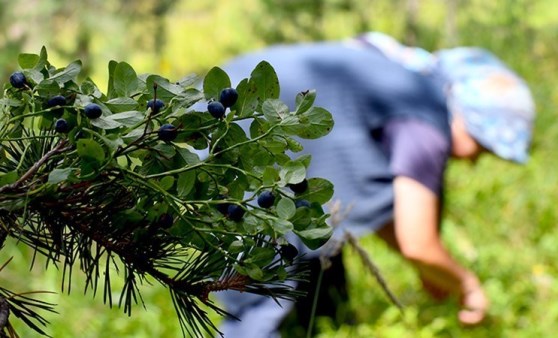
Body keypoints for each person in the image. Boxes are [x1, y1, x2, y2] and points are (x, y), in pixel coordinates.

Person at [215, 32, 535, 337]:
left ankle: (323, 324)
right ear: (469, 116)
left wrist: (431, 271)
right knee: (260, 299)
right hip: (234, 135)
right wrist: (466, 285)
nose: (476, 160)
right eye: (484, 146)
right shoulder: (424, 122)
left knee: (318, 249)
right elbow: (417, 242)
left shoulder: (406, 86)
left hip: (234, 107)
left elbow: (385, 213)